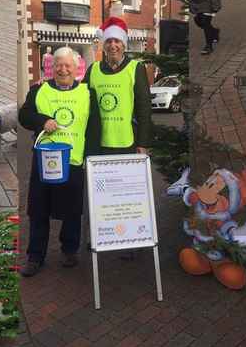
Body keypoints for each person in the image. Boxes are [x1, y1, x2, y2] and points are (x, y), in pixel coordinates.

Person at [19, 47, 101, 277]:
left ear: (76, 68)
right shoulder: (38, 91)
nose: (63, 69)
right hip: (45, 160)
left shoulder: (87, 94)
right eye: (58, 65)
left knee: (73, 210)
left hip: (74, 160)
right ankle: (35, 256)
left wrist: (91, 157)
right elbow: (24, 116)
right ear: (52, 67)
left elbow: (94, 128)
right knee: (38, 209)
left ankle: (69, 250)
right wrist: (41, 120)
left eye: (68, 65)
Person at [84, 17, 152, 156]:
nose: (113, 45)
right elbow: (80, 98)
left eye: (117, 41)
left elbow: (144, 108)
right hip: (98, 141)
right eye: (108, 41)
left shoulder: (135, 68)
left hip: (127, 141)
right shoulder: (93, 69)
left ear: (124, 45)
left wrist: (143, 143)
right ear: (104, 45)